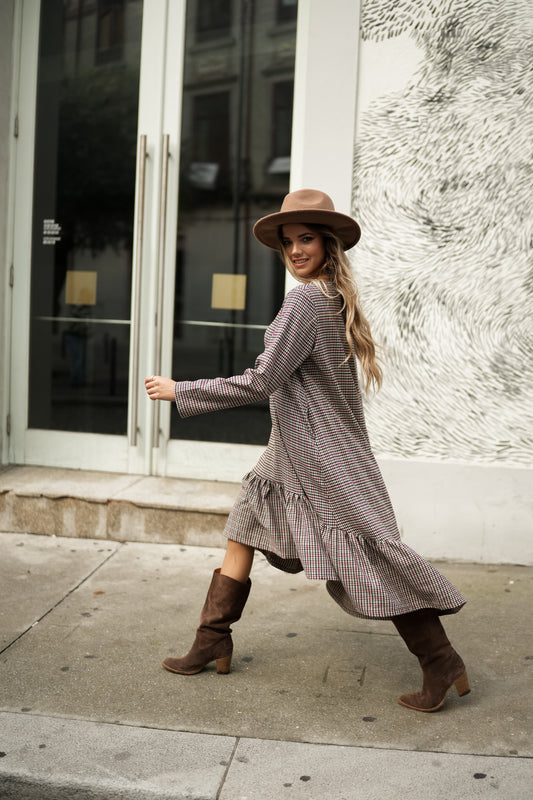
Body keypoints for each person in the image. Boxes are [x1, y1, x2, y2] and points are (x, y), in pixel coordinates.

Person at [145, 189, 470, 713]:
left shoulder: (305, 299)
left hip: (320, 456)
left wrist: (182, 390)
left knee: (367, 556)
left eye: (307, 239)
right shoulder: (332, 297)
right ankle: (212, 640)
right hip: (294, 448)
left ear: (328, 244)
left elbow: (263, 380)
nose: (296, 250)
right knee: (244, 526)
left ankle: (440, 659)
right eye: (289, 242)